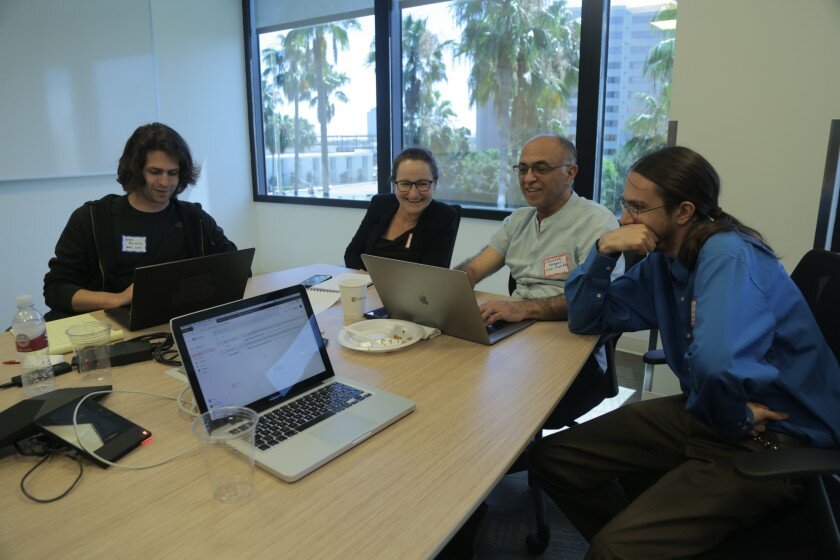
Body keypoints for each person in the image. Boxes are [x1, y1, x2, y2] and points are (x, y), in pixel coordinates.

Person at [528, 146, 840, 559]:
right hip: (711, 411)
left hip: (771, 436)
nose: (625, 219)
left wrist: (736, 417)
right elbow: (587, 318)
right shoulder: (665, 259)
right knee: (554, 459)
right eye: (625, 205)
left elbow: (717, 364)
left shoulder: (726, 256)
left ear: (683, 211)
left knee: (614, 550)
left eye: (638, 208)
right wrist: (603, 252)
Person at [43, 123, 237, 319]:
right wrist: (116, 299)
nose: (164, 182)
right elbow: (56, 289)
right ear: (135, 170)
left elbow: (236, 269)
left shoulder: (195, 219)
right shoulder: (91, 219)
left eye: (172, 173)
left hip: (175, 322)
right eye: (155, 172)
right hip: (111, 327)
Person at [455, 134, 621, 325]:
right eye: (523, 169)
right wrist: (452, 285)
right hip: (517, 323)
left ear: (570, 173)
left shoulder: (596, 221)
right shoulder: (517, 221)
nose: (528, 178)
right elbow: (474, 268)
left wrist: (522, 308)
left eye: (541, 169)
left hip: (568, 329)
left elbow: (593, 298)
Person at [344, 147, 459, 270]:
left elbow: (430, 275)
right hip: (367, 287)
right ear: (394, 184)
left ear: (434, 184)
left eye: (422, 184)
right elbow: (352, 255)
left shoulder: (443, 217)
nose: (413, 194)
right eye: (405, 184)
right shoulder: (380, 204)